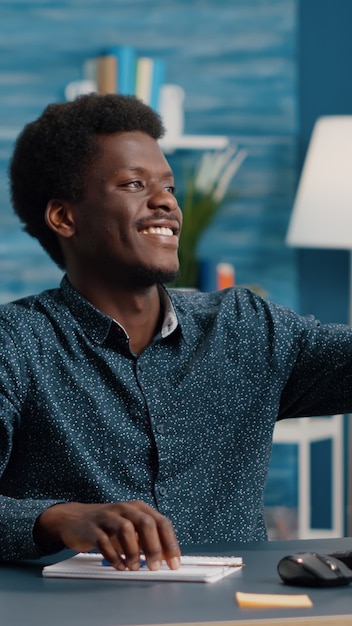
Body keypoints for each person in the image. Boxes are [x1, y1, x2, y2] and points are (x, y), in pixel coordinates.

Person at [1, 93, 352, 572]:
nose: (165, 201)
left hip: (235, 616)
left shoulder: (245, 327)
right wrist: (53, 518)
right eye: (133, 184)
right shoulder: (16, 343)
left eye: (167, 186)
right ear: (65, 217)